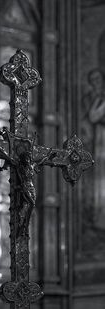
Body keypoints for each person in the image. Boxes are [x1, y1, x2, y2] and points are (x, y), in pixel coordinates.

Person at [82, 69, 105, 228]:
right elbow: (91, 117)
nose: (96, 83)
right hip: (99, 140)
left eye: (98, 79)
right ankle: (99, 218)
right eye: (93, 80)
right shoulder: (90, 99)